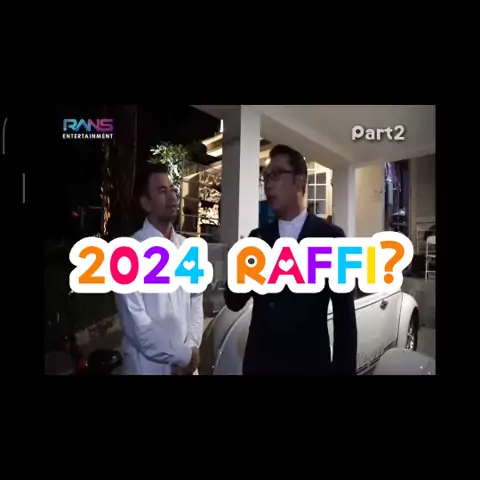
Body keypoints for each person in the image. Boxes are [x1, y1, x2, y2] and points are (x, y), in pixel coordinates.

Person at [224, 145, 357, 375]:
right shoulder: (258, 238)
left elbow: (345, 321)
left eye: (275, 175)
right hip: (260, 366)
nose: (268, 184)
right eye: (265, 177)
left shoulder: (331, 238)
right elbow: (233, 302)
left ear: (300, 180)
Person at [115, 162, 203, 375]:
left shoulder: (187, 247)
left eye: (172, 189)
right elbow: (137, 325)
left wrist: (191, 348)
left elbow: (196, 301)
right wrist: (182, 356)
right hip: (147, 368)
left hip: (187, 368)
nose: (172, 196)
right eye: (162, 191)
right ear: (146, 203)